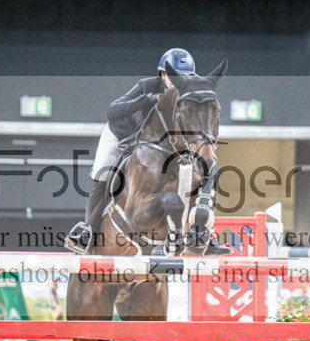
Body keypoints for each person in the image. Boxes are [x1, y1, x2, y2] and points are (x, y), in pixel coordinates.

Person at [64, 48, 229, 256]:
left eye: (185, 76)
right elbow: (112, 111)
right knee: (102, 171)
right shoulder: (147, 86)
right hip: (122, 134)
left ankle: (201, 233)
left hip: (162, 145)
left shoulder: (188, 94)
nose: (179, 81)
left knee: (205, 169)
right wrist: (145, 100)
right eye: (174, 76)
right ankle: (89, 230)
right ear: (163, 75)